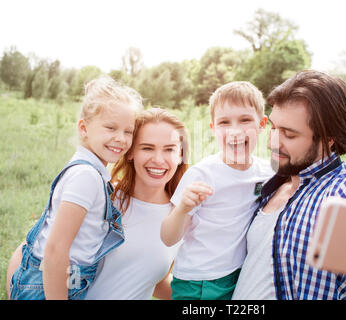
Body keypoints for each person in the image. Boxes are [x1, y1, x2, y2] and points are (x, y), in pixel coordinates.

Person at [232, 70, 346, 300]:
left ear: (329, 139)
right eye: (273, 127)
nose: (272, 142)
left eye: (289, 134)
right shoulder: (273, 181)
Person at [7, 76, 142, 300]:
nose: (121, 138)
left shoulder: (92, 172)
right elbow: (56, 250)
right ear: (83, 128)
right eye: (111, 128)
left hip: (60, 282)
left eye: (128, 131)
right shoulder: (86, 176)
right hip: (54, 287)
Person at [160, 81, 274, 300]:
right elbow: (168, 237)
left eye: (245, 120)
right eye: (224, 122)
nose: (235, 131)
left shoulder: (266, 172)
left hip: (241, 276)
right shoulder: (201, 175)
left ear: (262, 124)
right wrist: (183, 208)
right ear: (213, 128)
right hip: (199, 282)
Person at [85, 108, 188, 300]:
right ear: (130, 151)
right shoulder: (103, 196)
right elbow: (35, 251)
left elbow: (153, 280)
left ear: (180, 154)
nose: (158, 160)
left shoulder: (182, 216)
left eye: (169, 149)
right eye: (147, 148)